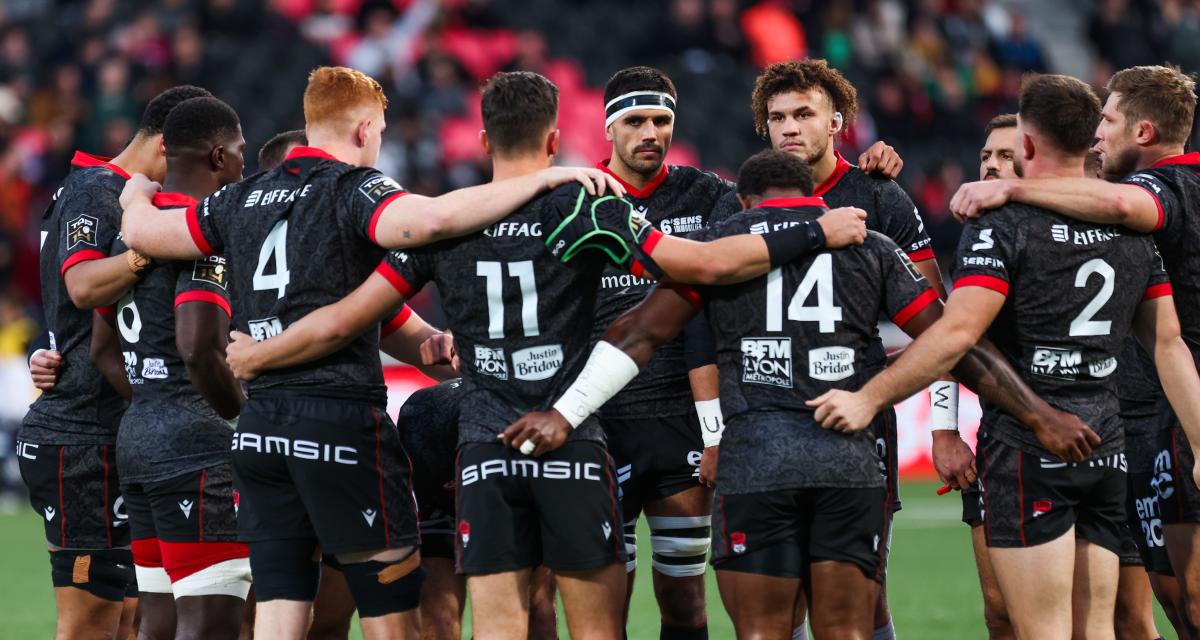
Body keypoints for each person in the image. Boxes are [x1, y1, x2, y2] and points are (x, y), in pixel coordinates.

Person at [219, 69, 869, 638]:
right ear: (555, 142)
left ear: (482, 143)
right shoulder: (585, 207)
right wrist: (814, 229)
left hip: (483, 446)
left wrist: (259, 356)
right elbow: (699, 264)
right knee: (595, 628)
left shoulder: (446, 221)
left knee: (501, 627)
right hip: (571, 440)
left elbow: (346, 319)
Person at [116, 65, 636, 639]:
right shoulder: (355, 189)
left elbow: (143, 234)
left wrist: (136, 191)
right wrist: (541, 181)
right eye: (381, 131)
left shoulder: (239, 198)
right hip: (338, 420)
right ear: (365, 130)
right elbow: (432, 221)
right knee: (392, 609)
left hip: (260, 428)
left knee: (280, 608)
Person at [502, 148, 1089, 639]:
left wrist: (562, 412)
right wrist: (1041, 417)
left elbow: (637, 334)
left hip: (757, 466)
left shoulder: (719, 250)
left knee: (763, 634)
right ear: (817, 198)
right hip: (848, 464)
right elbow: (956, 345)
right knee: (848, 633)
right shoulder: (870, 246)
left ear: (744, 202)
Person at [811, 73, 1200, 640]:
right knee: (1098, 627)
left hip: (1028, 446)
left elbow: (956, 334)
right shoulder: (1132, 232)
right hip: (1106, 442)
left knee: (1037, 629)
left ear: (1028, 146)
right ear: (1088, 140)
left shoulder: (1003, 223)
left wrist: (870, 398)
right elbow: (1167, 344)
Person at [950, 64, 1200, 636]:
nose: (1098, 133)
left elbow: (1118, 208)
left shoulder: (1154, 191)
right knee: (1131, 614)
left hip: (1157, 418)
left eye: (1108, 120)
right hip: (1127, 420)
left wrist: (1012, 188)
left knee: (1173, 604)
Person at [739, 57, 943, 640]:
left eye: (804, 114)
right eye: (777, 118)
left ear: (838, 122)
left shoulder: (880, 197)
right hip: (767, 423)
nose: (789, 129)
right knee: (782, 600)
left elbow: (939, 320)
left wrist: (878, 381)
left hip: (856, 426)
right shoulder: (745, 202)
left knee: (861, 597)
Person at [18, 83, 211, 640]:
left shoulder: (109, 193)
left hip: (114, 433)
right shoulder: (99, 191)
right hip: (78, 436)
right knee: (91, 625)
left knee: (130, 621)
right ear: (169, 148)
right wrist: (149, 242)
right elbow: (80, 286)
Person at [109, 95, 251, 640]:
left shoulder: (131, 232)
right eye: (238, 152)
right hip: (195, 443)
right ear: (218, 157)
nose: (244, 163)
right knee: (209, 624)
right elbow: (199, 348)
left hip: (140, 434)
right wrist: (242, 417)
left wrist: (155, 399)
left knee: (158, 623)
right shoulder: (198, 231)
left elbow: (104, 344)